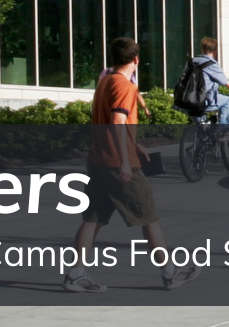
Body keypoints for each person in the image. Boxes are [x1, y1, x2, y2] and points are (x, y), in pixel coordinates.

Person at [65, 37, 197, 293]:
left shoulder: (104, 82)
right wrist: (126, 160)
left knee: (93, 218)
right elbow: (116, 120)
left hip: (98, 160)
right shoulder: (124, 86)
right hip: (118, 164)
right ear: (136, 60)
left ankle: (75, 274)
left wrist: (134, 144)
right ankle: (170, 274)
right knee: (149, 216)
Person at [189, 36, 229, 126]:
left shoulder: (192, 61)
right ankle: (223, 131)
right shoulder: (211, 65)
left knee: (202, 126)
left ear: (202, 50)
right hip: (204, 100)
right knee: (227, 100)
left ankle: (202, 132)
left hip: (186, 101)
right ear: (215, 52)